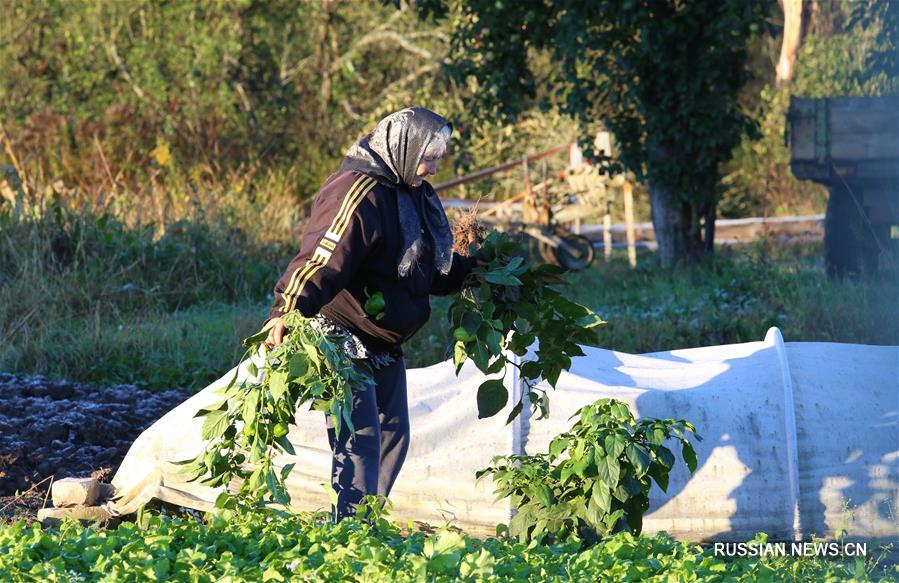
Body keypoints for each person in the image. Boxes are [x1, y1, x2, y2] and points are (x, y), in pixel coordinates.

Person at [261, 106, 477, 520]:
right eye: (428, 157)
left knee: (393, 435)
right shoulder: (357, 191)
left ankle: (365, 523)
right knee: (358, 438)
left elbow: (426, 268)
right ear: (405, 147)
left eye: (436, 159)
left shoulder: (410, 193)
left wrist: (477, 273)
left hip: (380, 338)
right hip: (339, 329)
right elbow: (322, 255)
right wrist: (287, 309)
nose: (432, 168)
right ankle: (351, 531)